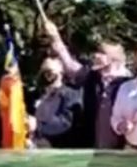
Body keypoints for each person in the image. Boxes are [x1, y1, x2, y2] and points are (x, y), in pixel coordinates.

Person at [45, 21, 131, 149]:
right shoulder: (91, 76)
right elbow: (69, 64)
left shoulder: (128, 83)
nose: (96, 55)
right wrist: (55, 37)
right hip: (91, 147)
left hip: (121, 150)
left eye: (102, 53)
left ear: (113, 59)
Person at [30, 57, 83, 149]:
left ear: (61, 72)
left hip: (57, 149)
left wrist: (38, 125)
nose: (47, 75)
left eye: (50, 70)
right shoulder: (38, 95)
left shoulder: (70, 95)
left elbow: (65, 123)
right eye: (44, 70)